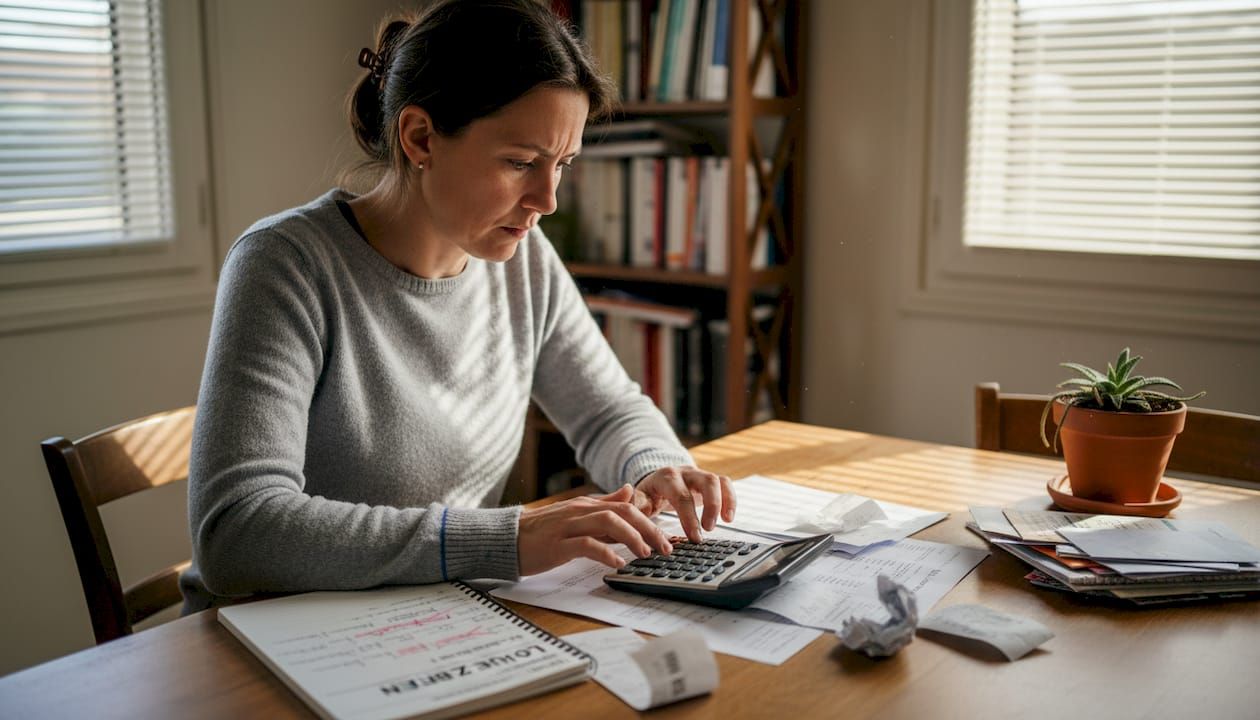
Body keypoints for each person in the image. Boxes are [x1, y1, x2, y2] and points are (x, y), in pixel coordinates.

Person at [182, 0, 735, 612]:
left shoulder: (521, 255)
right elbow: (237, 533)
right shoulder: (284, 265)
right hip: (269, 638)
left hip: (430, 612)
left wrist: (657, 466)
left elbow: (606, 411)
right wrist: (509, 539)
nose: (547, 200)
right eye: (521, 163)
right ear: (420, 137)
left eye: (563, 165)